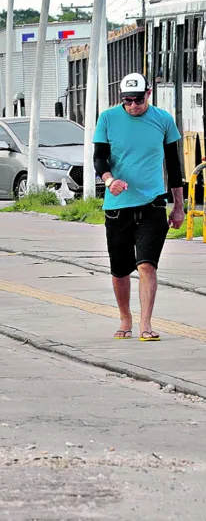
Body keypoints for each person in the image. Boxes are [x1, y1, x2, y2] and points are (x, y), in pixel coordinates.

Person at [93, 73, 184, 342]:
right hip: (118, 206)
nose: (133, 105)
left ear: (149, 93)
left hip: (153, 203)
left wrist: (178, 206)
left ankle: (146, 323)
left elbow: (174, 166)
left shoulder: (163, 120)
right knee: (120, 270)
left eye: (138, 99)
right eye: (127, 100)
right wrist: (109, 181)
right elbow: (99, 158)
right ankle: (125, 318)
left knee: (146, 266)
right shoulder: (108, 119)